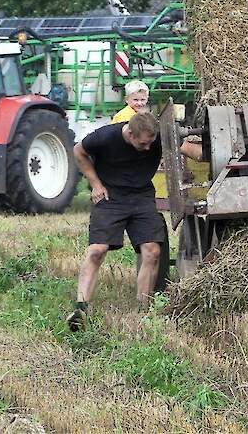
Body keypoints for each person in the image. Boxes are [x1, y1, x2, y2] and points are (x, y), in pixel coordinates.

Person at [67, 111, 202, 331]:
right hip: (110, 196)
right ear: (130, 133)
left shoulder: (157, 137)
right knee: (97, 251)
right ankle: (81, 309)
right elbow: (78, 151)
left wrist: (220, 150)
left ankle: (143, 310)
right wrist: (96, 184)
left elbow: (191, 150)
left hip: (141, 197)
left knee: (152, 251)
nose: (148, 148)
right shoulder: (105, 137)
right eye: (143, 144)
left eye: (151, 143)